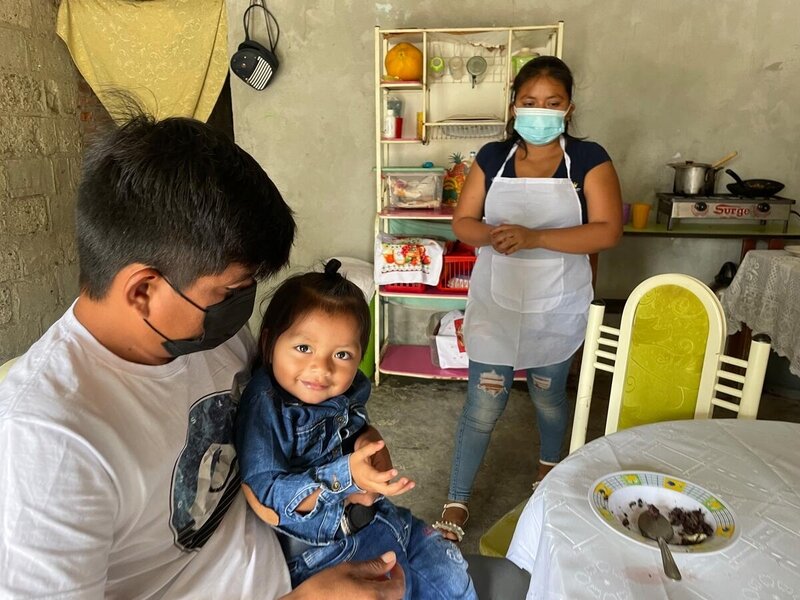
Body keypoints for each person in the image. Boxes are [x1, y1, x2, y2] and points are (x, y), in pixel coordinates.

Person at [0, 114, 406, 599]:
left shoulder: (204, 330)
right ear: (144, 290)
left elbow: (288, 419)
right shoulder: (47, 443)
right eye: (231, 291)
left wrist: (357, 442)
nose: (242, 307)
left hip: (299, 548)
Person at [434, 56, 623, 542]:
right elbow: (463, 222)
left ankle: (547, 470)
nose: (540, 111)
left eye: (552, 103)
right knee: (482, 405)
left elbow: (607, 231)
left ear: (569, 108)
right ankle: (457, 499)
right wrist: (491, 235)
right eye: (530, 102)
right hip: (498, 303)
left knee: (547, 396)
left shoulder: (587, 158)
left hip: (556, 306)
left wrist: (535, 238)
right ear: (514, 104)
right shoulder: (492, 157)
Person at [235, 260, 477, 600]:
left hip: (385, 522)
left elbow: (354, 427)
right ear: (269, 343)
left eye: (342, 354)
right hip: (329, 554)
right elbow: (265, 493)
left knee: (455, 581)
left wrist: (367, 441)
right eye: (304, 348)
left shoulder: (346, 390)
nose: (321, 367)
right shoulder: (266, 405)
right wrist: (346, 475)